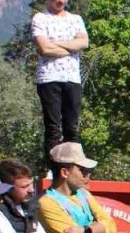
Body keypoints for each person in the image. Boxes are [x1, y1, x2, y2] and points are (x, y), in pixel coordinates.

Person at [32, 0, 88, 154]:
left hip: (72, 78)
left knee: (72, 127)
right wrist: (71, 48)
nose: (60, 1)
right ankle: (54, 165)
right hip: (49, 78)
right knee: (53, 128)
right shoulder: (40, 18)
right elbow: (44, 48)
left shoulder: (76, 19)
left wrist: (55, 43)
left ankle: (72, 163)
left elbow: (84, 42)